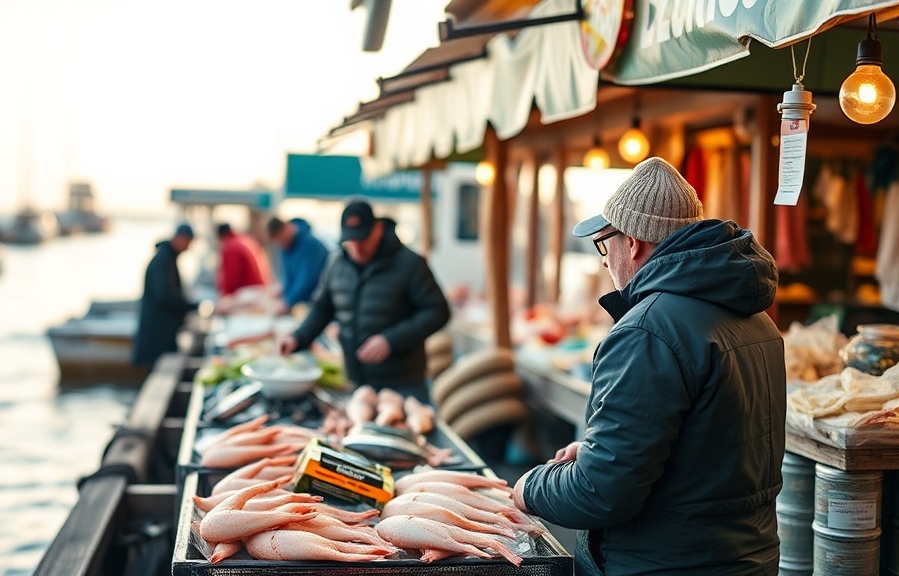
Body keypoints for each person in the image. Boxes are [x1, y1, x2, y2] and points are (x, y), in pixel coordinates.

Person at [513, 157, 786, 575]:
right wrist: (599, 453)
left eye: (606, 243)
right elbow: (709, 453)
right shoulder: (759, 320)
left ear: (633, 243)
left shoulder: (646, 330)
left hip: (662, 565)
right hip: (748, 560)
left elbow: (601, 493)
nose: (604, 260)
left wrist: (529, 487)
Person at [279, 199, 450, 402]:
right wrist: (298, 338)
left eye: (363, 239)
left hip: (404, 383)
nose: (357, 247)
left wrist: (391, 340)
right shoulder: (336, 263)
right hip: (357, 380)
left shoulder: (410, 263)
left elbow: (438, 311)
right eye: (351, 241)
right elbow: (322, 308)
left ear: (378, 228)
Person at [131, 223, 198, 368]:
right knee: (155, 365)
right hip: (157, 331)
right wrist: (192, 306)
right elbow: (166, 296)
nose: (189, 247)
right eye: (189, 242)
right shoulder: (164, 260)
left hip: (161, 329)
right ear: (182, 238)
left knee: (157, 363)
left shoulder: (167, 257)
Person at [266, 216, 329, 314]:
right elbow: (289, 277)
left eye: (280, 240)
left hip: (318, 303)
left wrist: (288, 302)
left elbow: (307, 280)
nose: (280, 244)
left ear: (286, 229)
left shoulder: (310, 244)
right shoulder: (286, 247)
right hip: (301, 305)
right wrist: (283, 293)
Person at [215, 223, 271, 297]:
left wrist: (225, 294)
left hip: (248, 292)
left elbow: (232, 278)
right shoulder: (248, 240)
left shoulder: (230, 246)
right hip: (263, 288)